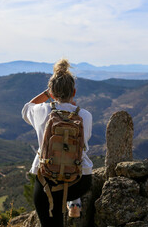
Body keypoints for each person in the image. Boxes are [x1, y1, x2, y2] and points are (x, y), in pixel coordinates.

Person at [21, 58, 93, 226]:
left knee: (50, 218)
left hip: (48, 179)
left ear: (52, 92)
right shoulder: (85, 115)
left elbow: (26, 108)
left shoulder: (42, 111)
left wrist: (47, 95)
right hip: (80, 181)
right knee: (69, 181)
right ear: (74, 92)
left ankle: (66, 206)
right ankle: (74, 203)